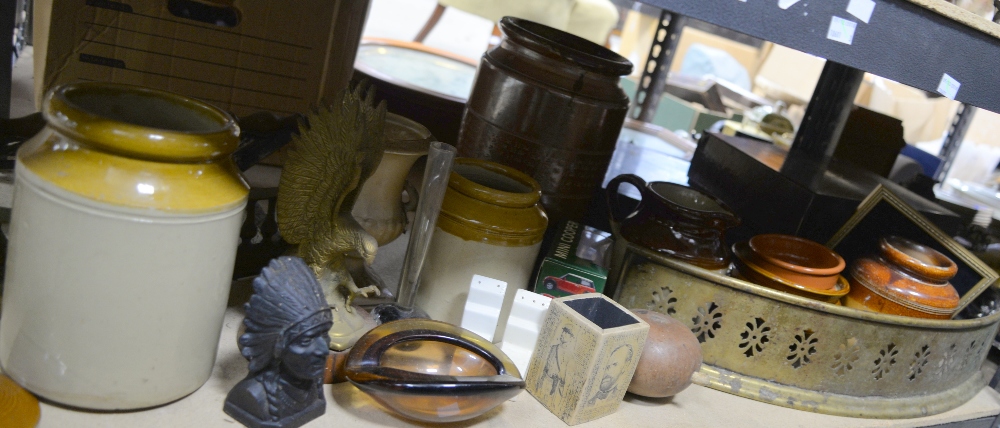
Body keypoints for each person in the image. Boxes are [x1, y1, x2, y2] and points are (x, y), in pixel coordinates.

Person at [224, 257, 333, 428]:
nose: (323, 350)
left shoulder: (312, 385)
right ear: (278, 348)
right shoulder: (252, 395)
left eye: (324, 334)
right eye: (306, 340)